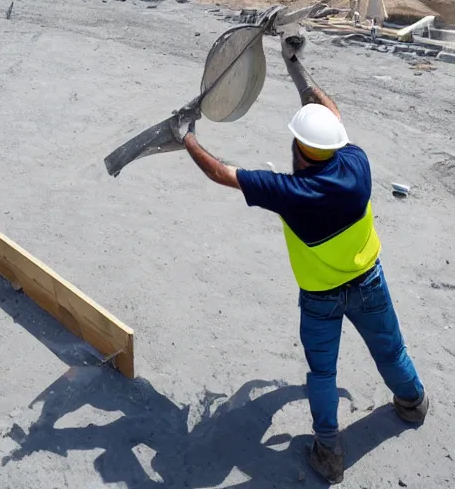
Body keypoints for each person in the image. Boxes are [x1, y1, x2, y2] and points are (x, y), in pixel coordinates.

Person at [172, 34, 428, 485]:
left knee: (323, 372)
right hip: (370, 283)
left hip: (321, 301)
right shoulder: (356, 164)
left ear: (298, 146)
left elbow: (221, 172)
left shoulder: (291, 193)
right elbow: (331, 116)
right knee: (391, 349)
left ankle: (329, 453)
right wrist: (294, 65)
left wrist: (185, 135)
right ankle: (412, 402)